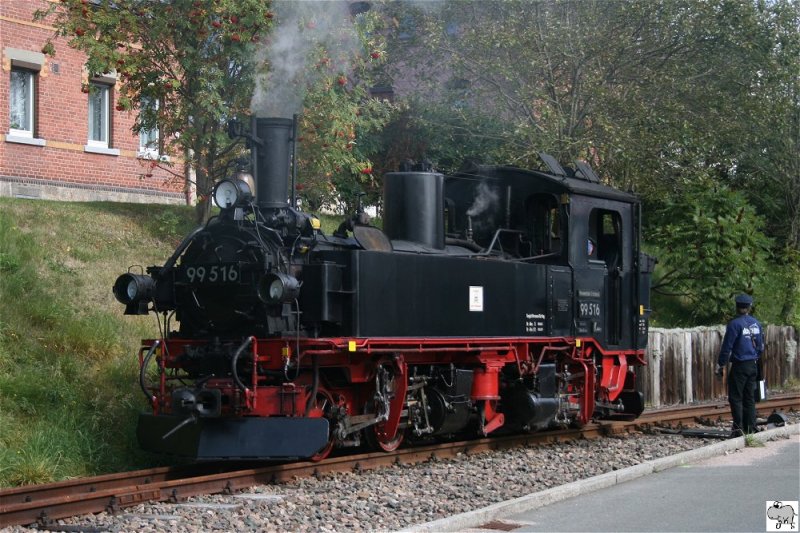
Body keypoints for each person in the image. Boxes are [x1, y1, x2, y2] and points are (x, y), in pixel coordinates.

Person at [715, 294, 764, 436]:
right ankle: (751, 427)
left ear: (737, 307)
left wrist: (721, 364)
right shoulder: (756, 324)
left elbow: (727, 347)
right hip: (753, 364)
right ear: (749, 307)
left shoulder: (734, 324)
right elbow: (761, 347)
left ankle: (738, 428)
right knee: (749, 396)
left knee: (735, 397)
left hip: (739, 365)